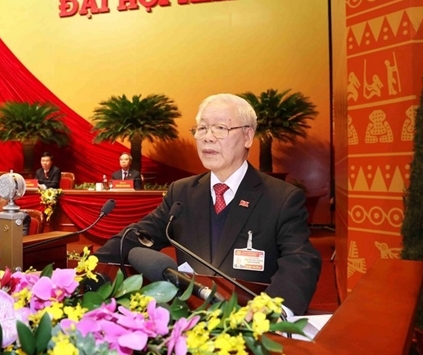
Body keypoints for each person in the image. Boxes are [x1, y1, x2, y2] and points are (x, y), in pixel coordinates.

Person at [95, 94, 322, 315]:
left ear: (247, 136)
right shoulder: (182, 192)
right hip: (190, 319)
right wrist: (88, 268)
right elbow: (136, 238)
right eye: (202, 128)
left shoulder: (281, 197)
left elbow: (300, 260)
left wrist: (271, 309)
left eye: (220, 128)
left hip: (248, 322)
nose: (207, 137)